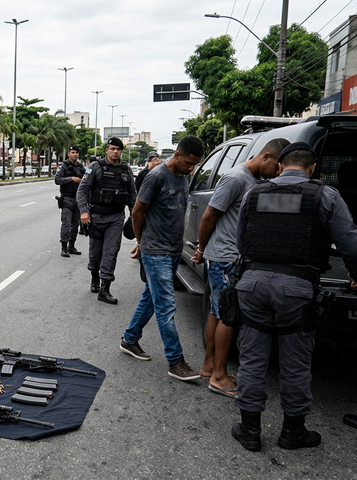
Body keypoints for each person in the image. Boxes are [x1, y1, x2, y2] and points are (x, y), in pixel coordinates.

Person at [231, 142, 357, 451]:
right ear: (313, 168)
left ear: (280, 166)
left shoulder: (254, 194)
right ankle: (293, 432)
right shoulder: (324, 195)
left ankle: (249, 431)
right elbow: (350, 243)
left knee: (252, 359)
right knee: (296, 361)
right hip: (297, 289)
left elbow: (240, 241)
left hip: (252, 284)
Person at [190, 138, 289, 399]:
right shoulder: (236, 178)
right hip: (225, 257)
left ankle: (209, 366)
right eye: (276, 167)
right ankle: (219, 376)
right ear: (266, 157)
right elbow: (209, 215)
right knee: (229, 315)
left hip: (232, 257)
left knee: (218, 311)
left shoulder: (259, 182)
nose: (277, 173)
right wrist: (201, 250)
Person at [120, 135, 205, 382]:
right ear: (176, 155)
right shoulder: (156, 177)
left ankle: (129, 339)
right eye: (189, 163)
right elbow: (137, 212)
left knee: (151, 297)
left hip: (173, 249)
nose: (192, 168)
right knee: (166, 306)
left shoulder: (184, 175)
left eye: (195, 165)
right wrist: (140, 242)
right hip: (155, 251)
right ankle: (175, 361)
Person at [77, 137, 137, 302]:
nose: (115, 152)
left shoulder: (126, 170)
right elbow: (82, 191)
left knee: (111, 252)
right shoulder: (94, 168)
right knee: (95, 253)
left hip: (116, 218)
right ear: (107, 150)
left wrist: (134, 214)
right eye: (112, 149)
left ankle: (105, 289)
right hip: (96, 217)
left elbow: (132, 195)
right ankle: (95, 276)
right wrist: (84, 211)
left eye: (118, 149)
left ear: (121, 151)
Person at [55, 145, 86, 258]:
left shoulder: (80, 167)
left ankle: (71, 246)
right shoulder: (64, 166)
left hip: (78, 198)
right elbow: (57, 180)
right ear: (68, 154)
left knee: (75, 225)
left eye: (76, 153)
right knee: (66, 224)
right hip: (67, 198)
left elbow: (86, 179)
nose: (75, 154)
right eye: (73, 152)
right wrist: (71, 179)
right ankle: (64, 247)